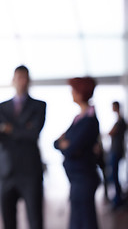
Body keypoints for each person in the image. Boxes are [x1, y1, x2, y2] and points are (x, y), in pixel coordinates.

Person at [0, 65, 46, 229]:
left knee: (35, 220)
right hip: (6, 170)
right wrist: (23, 129)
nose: (22, 82)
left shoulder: (39, 105)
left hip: (30, 171)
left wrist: (9, 128)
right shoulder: (0, 107)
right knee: (8, 222)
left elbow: (33, 134)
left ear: (29, 81)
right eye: (19, 78)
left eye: (25, 78)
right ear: (13, 80)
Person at [54, 77, 100, 229]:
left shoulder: (89, 120)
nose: (71, 93)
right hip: (77, 178)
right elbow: (57, 143)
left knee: (85, 221)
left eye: (73, 90)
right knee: (77, 220)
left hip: (84, 178)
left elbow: (71, 148)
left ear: (80, 93)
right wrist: (65, 144)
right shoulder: (79, 118)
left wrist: (66, 144)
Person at [108, 101, 127, 209]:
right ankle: (117, 199)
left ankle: (117, 200)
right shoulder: (120, 121)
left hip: (117, 150)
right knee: (114, 175)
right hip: (117, 150)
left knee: (114, 175)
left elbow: (111, 133)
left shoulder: (120, 121)